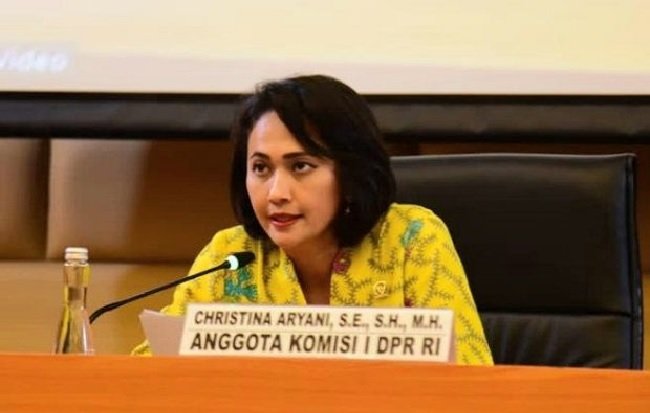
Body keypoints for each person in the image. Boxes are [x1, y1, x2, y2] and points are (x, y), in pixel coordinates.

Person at [132, 74, 493, 365]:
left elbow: (473, 382)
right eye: (261, 168)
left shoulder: (411, 239)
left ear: (350, 171)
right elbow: (147, 376)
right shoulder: (229, 257)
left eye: (300, 166)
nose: (276, 193)